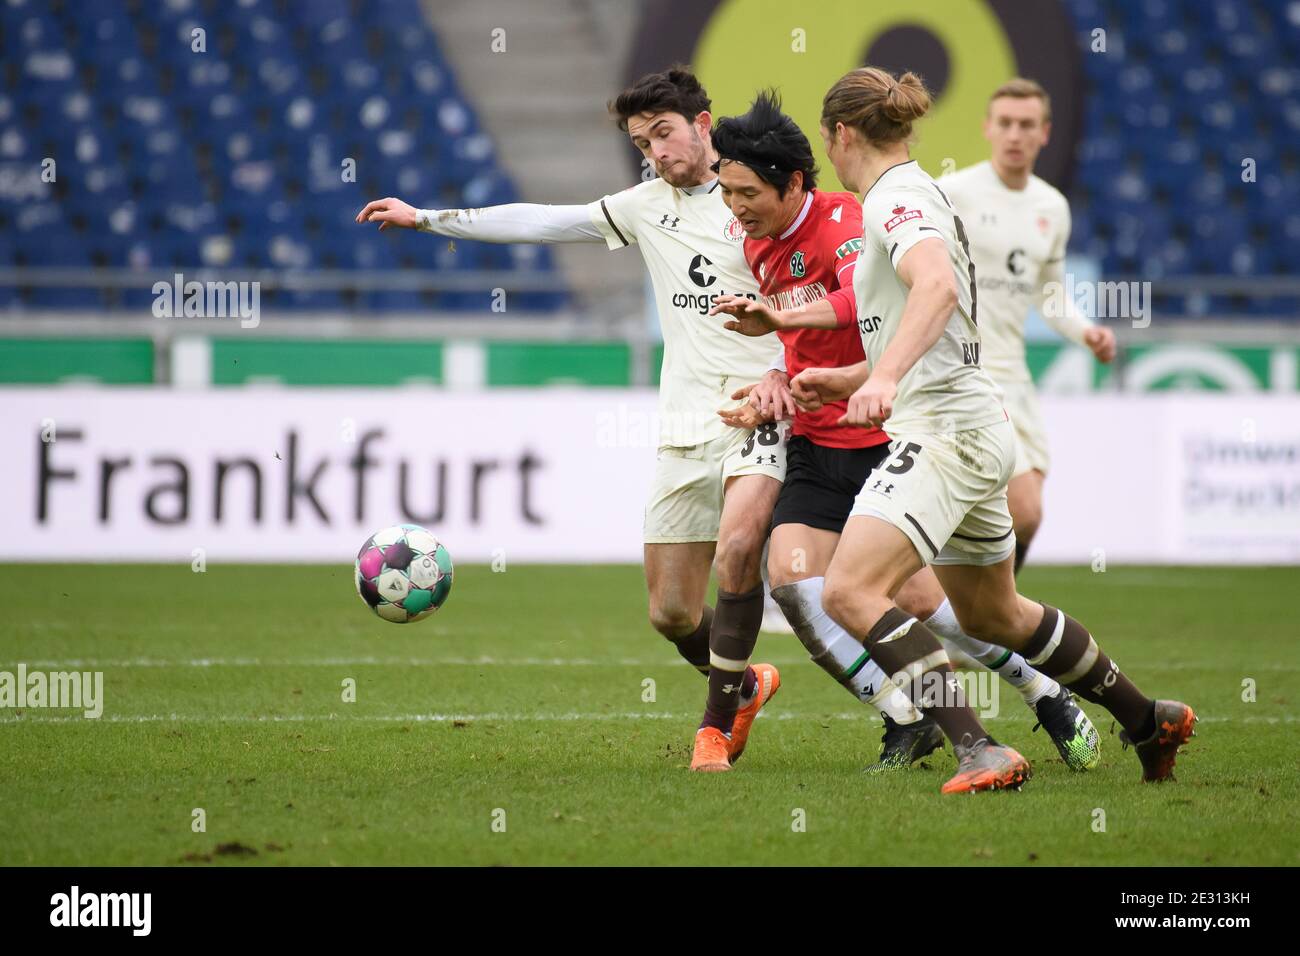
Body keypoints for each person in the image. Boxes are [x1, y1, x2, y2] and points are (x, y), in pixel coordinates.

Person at [726, 67, 1194, 792]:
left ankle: (978, 748)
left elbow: (937, 287)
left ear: (840, 135)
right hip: (975, 422)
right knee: (994, 611)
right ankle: (1145, 717)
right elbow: (899, 311)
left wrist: (880, 380)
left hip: (944, 430)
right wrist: (830, 359)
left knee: (849, 590)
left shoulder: (894, 199)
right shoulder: (914, 194)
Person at [356, 67, 783, 774]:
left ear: (704, 124)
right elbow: (546, 218)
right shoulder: (646, 205)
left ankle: (716, 732)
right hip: (684, 422)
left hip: (760, 413)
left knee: (743, 548)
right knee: (671, 613)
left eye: (666, 134)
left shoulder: (756, 197)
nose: (657, 153)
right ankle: (745, 684)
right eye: (644, 142)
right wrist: (430, 218)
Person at [940, 78, 1117, 571]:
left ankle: (989, 622)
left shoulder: (1051, 207)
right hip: (956, 376)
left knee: (1027, 514)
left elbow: (1049, 291)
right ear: (987, 129)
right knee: (950, 519)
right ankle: (974, 624)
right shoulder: (952, 194)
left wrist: (1087, 332)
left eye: (1026, 125)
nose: (1015, 135)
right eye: (1006, 124)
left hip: (1012, 380)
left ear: (1045, 133)